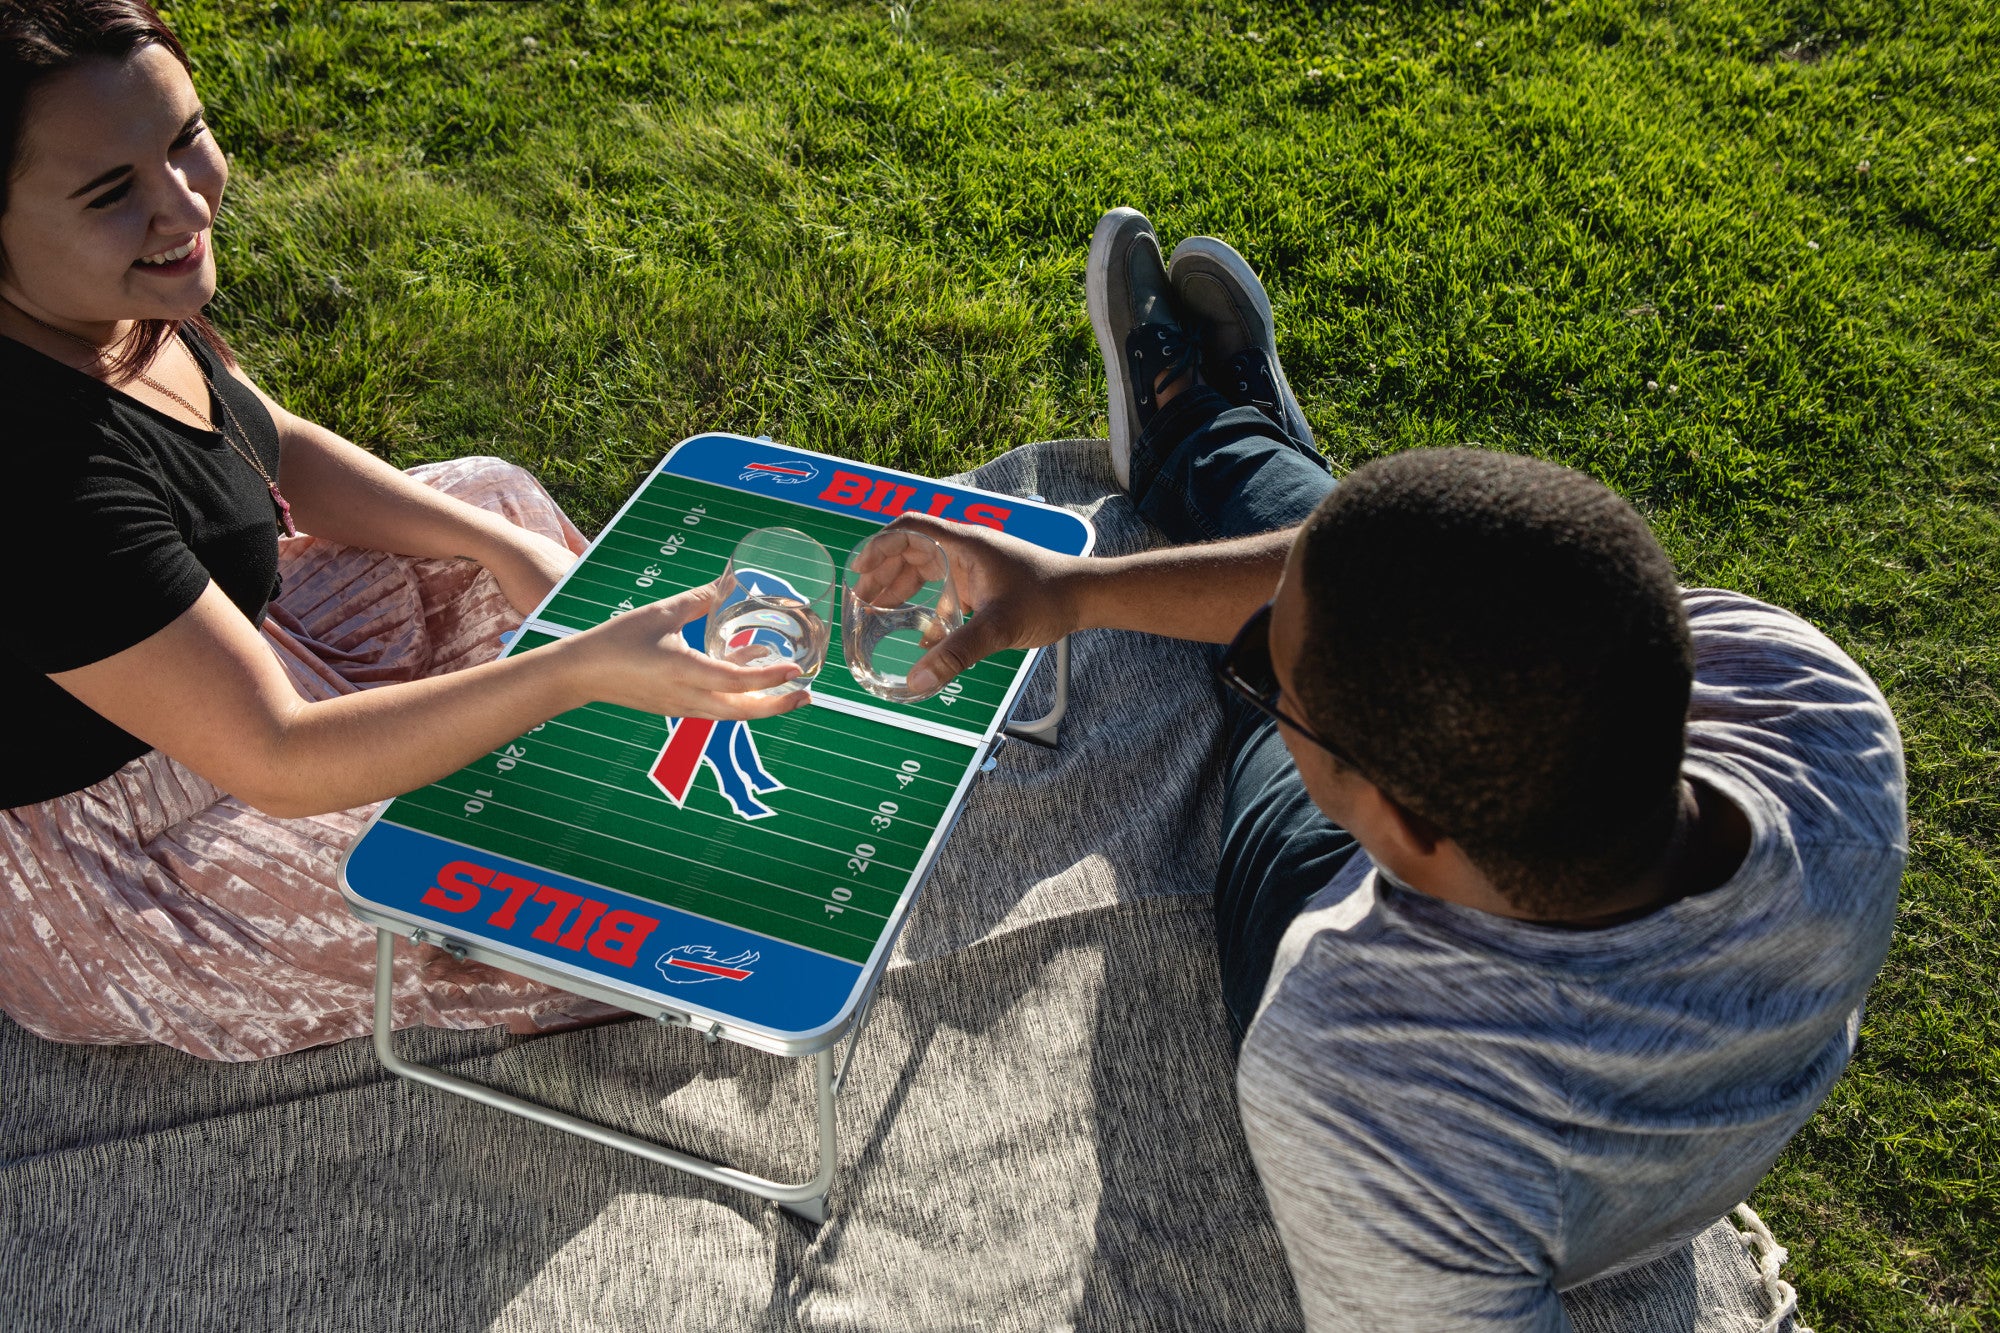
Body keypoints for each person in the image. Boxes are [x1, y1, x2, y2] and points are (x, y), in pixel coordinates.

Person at [890, 206, 1905, 1329]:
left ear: (1397, 824)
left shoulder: (1361, 1071)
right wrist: (1068, 593)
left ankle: (1215, 443)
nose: (1261, 691)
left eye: (1272, 690)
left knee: (1298, 671)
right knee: (1372, 570)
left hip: (1348, 928)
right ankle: (1230, 447)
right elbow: (1436, 588)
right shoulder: (1812, 701)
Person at [0, 0, 805, 1061]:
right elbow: (277, 757)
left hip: (245, 661)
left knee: (488, 499)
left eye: (186, 136)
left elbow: (267, 442)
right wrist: (570, 671)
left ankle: (634, 729)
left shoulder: (103, 301)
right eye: (113, 192)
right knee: (561, 893)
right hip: (140, 855)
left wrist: (501, 550)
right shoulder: (35, 470)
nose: (185, 200)